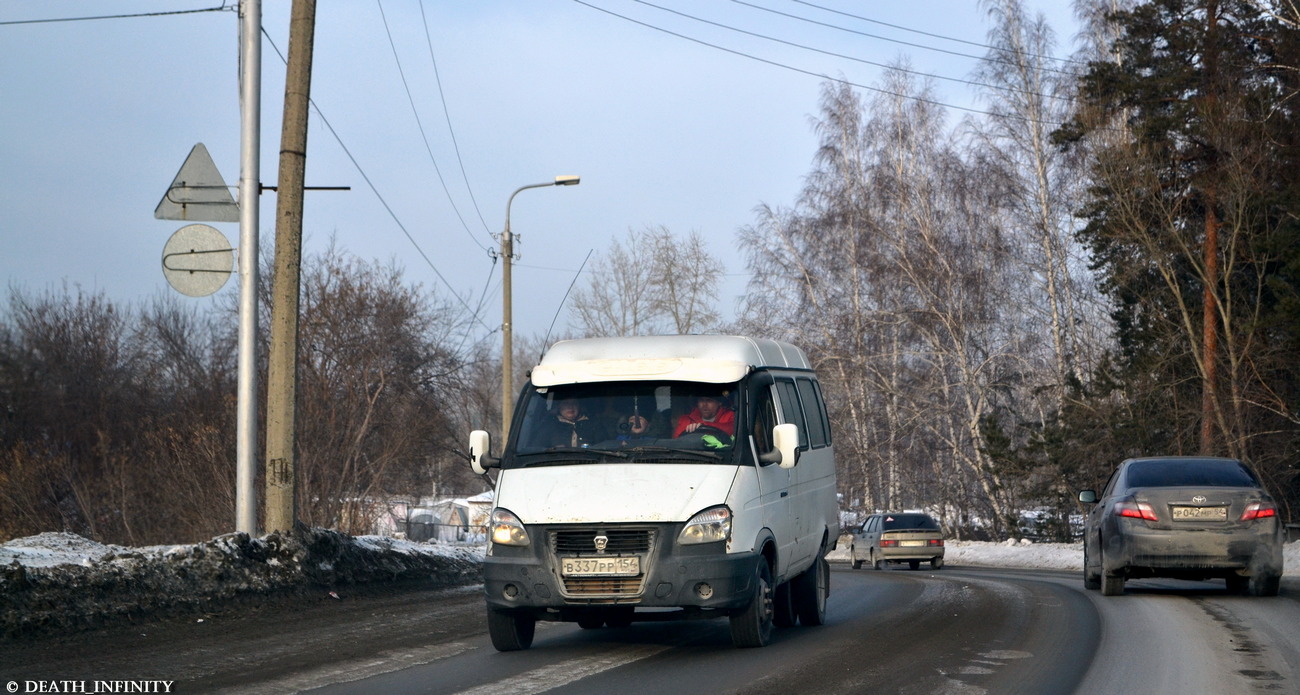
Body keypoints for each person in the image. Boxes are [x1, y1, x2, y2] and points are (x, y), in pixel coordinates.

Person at [533, 397, 603, 448]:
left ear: (579, 406)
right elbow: (537, 448)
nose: (570, 407)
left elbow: (604, 447)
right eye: (566, 403)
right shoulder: (549, 426)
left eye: (574, 403)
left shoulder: (594, 425)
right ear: (559, 407)